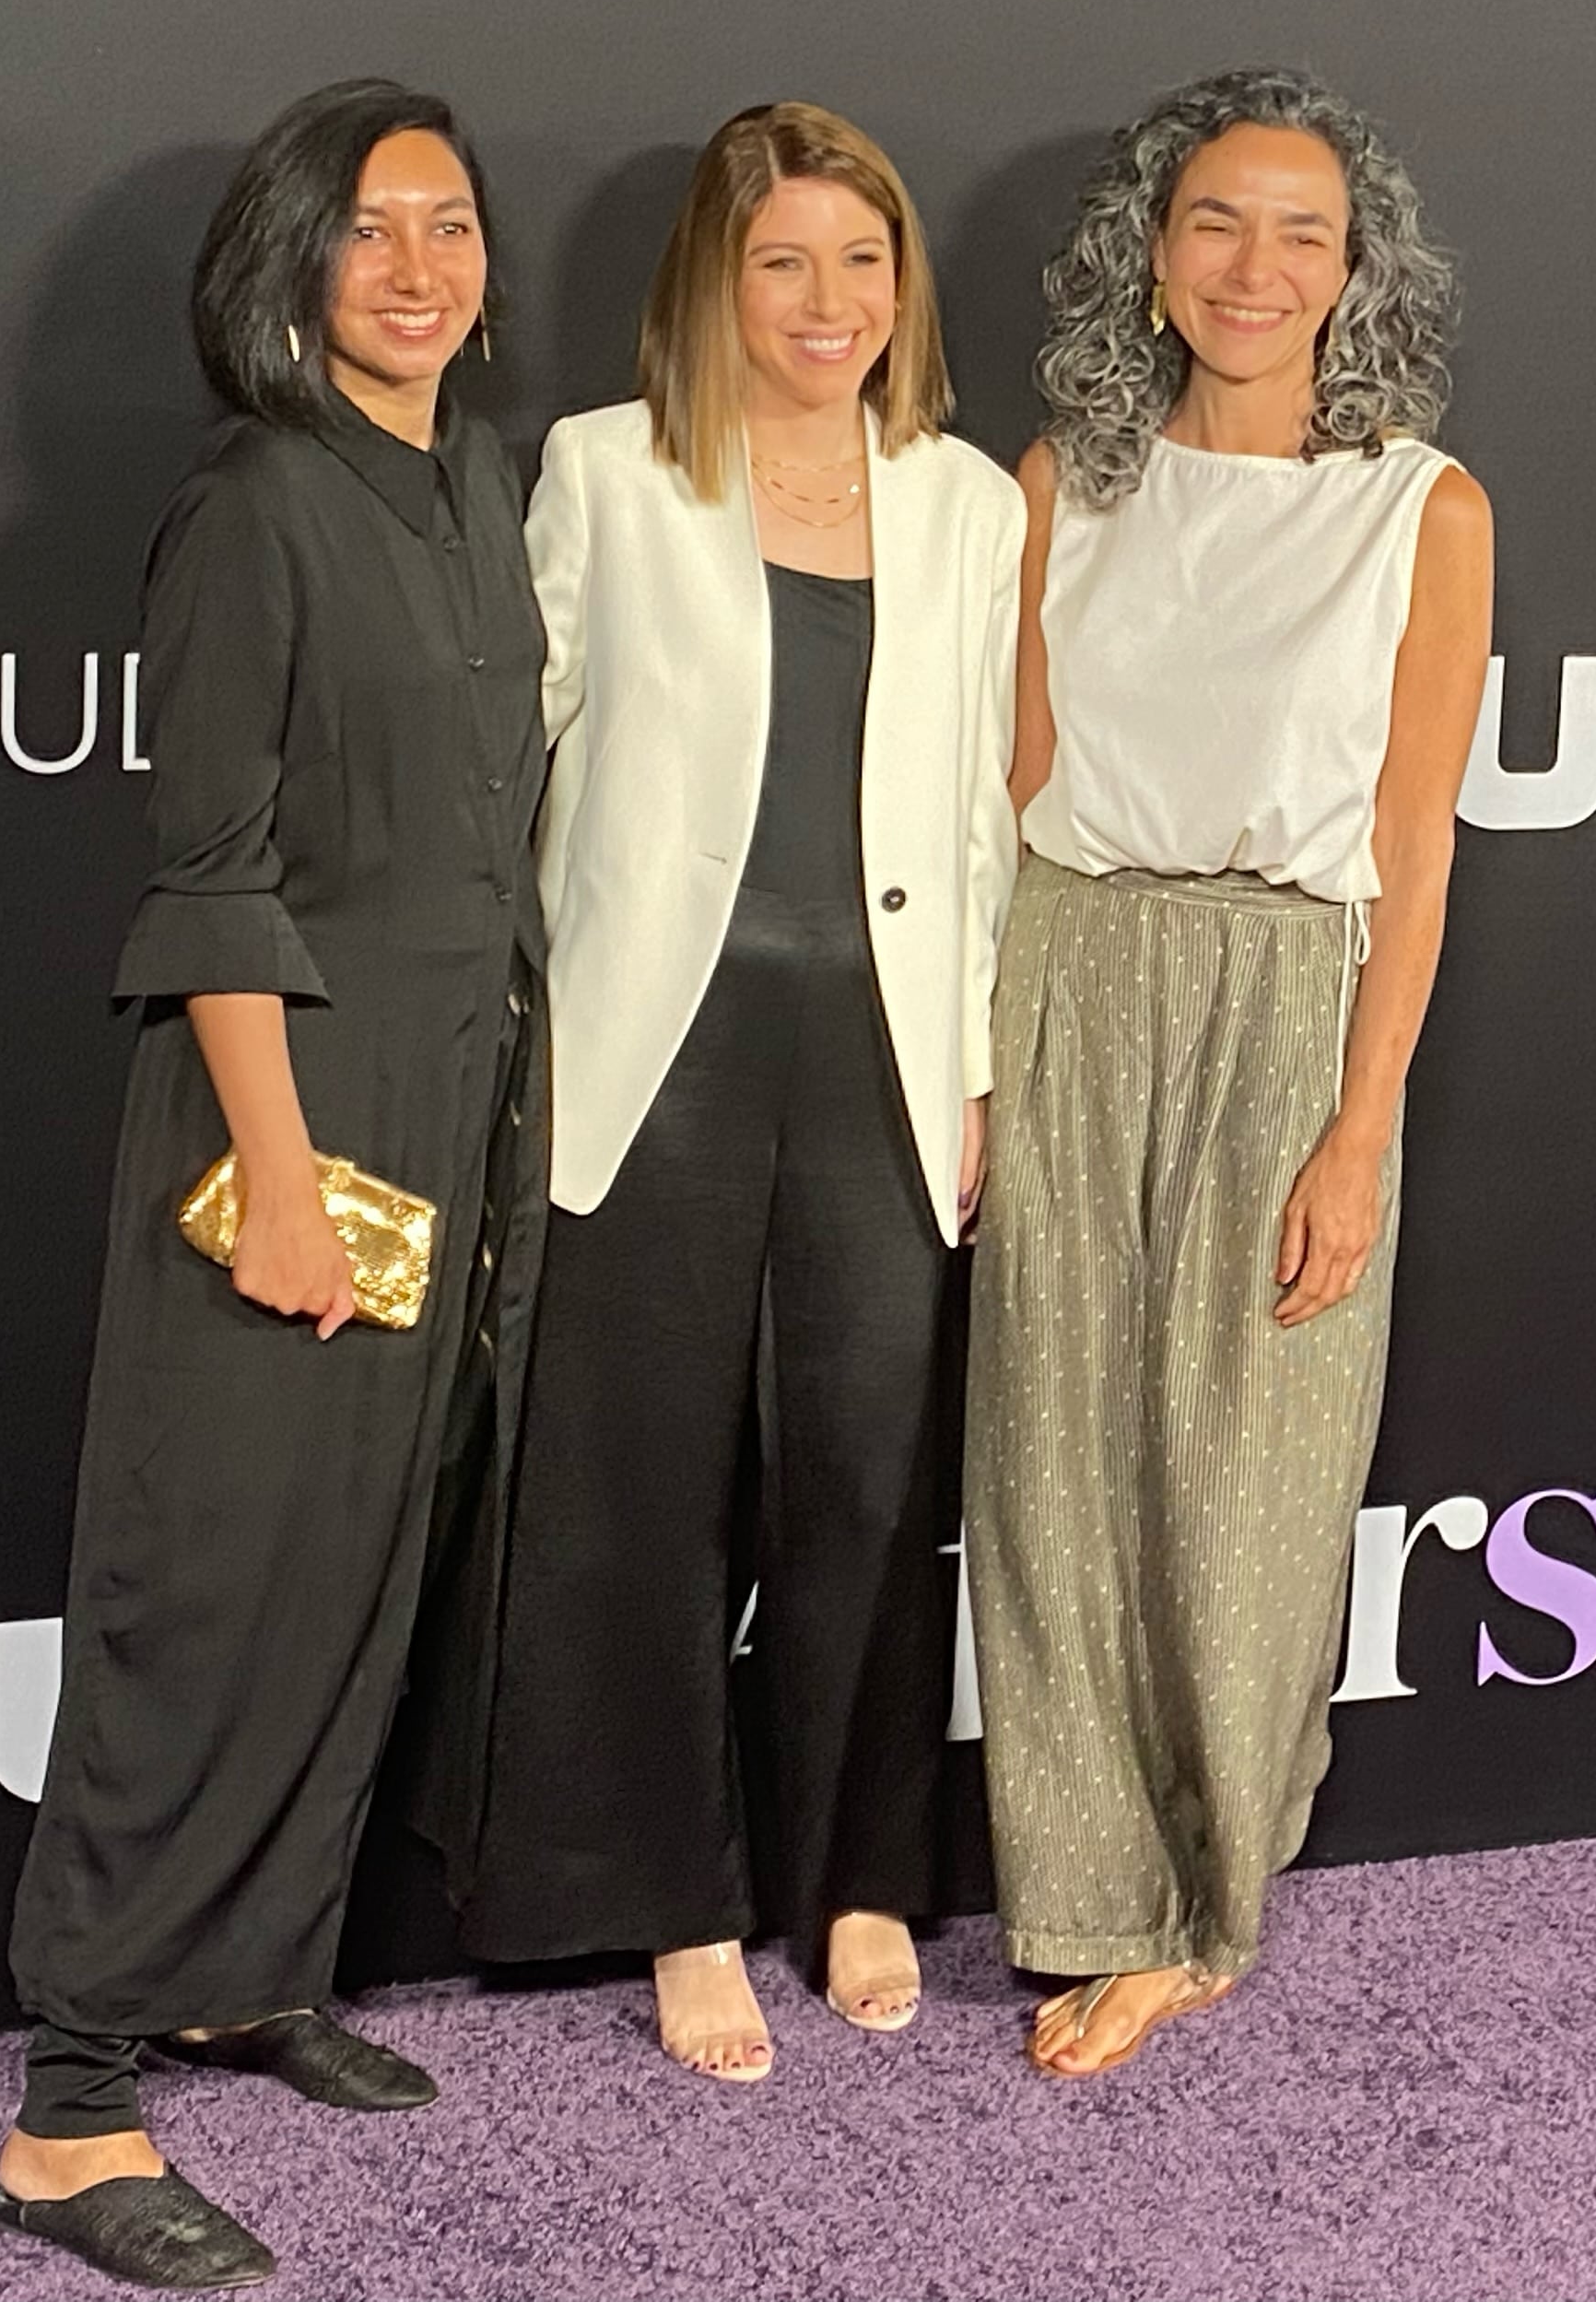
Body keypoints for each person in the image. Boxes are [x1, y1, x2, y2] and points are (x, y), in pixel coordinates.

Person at [0, 81, 546, 2292]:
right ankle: (65, 2113)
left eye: (451, 225)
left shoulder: (474, 481)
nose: (417, 269)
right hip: (285, 1119)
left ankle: (241, 1974)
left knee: (346, 1579)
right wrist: (288, 1178)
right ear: (287, 261)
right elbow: (212, 879)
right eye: (369, 231)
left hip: (451, 1102)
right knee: (202, 1592)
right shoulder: (251, 506)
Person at [453, 104, 1020, 2080]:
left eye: (862, 263)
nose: (826, 302)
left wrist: (973, 1069)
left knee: (872, 1479)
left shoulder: (965, 502)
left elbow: (978, 819)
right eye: (783, 262)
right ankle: (678, 1899)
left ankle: (861, 1874)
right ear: (714, 276)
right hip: (653, 1053)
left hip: (881, 1057)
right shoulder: (604, 475)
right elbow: (512, 759)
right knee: (644, 1489)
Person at [968, 65, 1492, 2077]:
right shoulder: (1054, 485)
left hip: (1288, 990)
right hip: (1066, 968)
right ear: (1150, 256)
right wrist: (982, 1071)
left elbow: (1420, 843)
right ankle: (1083, 1883)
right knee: (1048, 1455)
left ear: (1359, 272)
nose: (1255, 268)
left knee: (1248, 1462)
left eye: (1302, 232)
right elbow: (1006, 786)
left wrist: (1361, 1128)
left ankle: (1208, 1907)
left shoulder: (1421, 506)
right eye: (1216, 224)